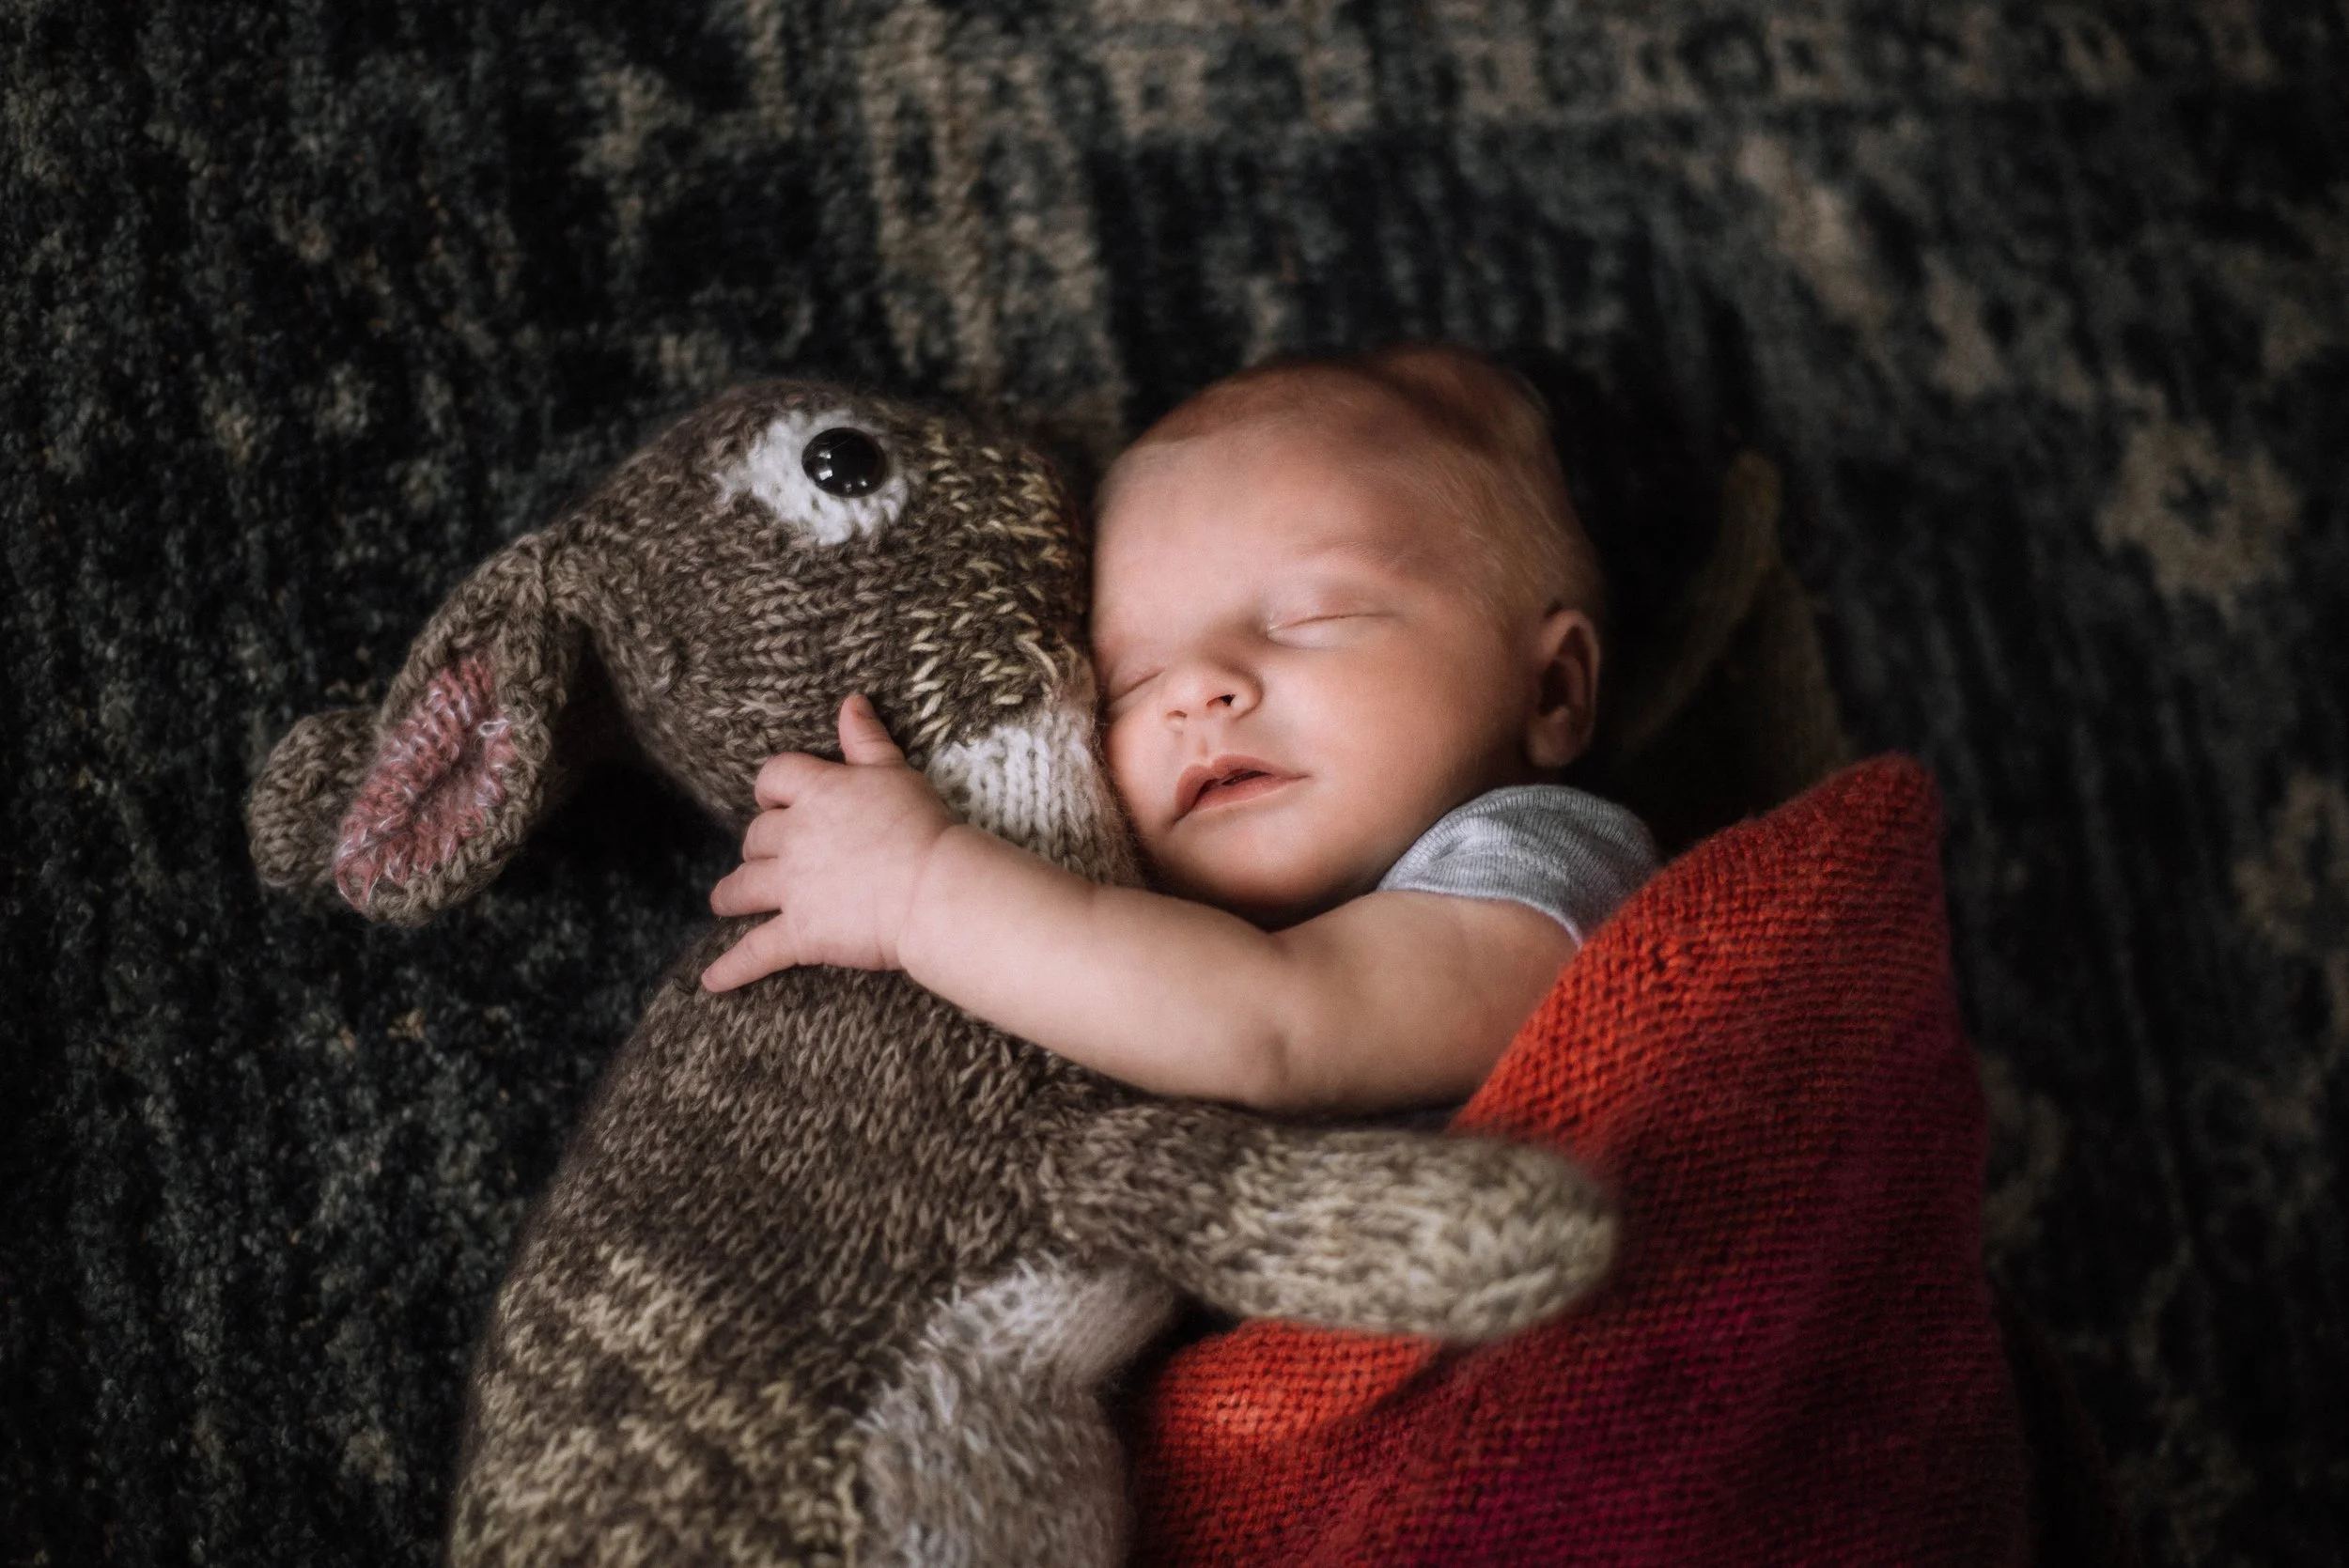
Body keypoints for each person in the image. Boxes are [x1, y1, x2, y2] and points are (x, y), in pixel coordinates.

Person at [699, 344, 1657, 1116]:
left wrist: (920, 891)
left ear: (1552, 693)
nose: (1195, 689)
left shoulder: (1545, 869)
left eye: (1312, 619)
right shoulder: (1161, 913)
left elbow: (1275, 1023)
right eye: (1131, 680)